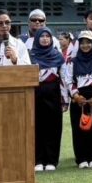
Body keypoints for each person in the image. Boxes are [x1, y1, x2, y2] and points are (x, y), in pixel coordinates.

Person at [61, 31, 92, 169]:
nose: (85, 45)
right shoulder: (72, 61)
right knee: (79, 128)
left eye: (88, 42)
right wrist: (75, 95)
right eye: (82, 43)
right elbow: (68, 80)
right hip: (79, 98)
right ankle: (81, 158)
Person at [30, 27, 65, 172]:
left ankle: (51, 160)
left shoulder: (58, 56)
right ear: (37, 38)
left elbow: (63, 78)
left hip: (54, 95)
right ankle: (38, 160)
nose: (45, 39)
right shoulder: (30, 56)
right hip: (35, 95)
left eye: (47, 36)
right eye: (42, 36)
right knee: (37, 127)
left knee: (53, 127)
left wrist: (65, 100)